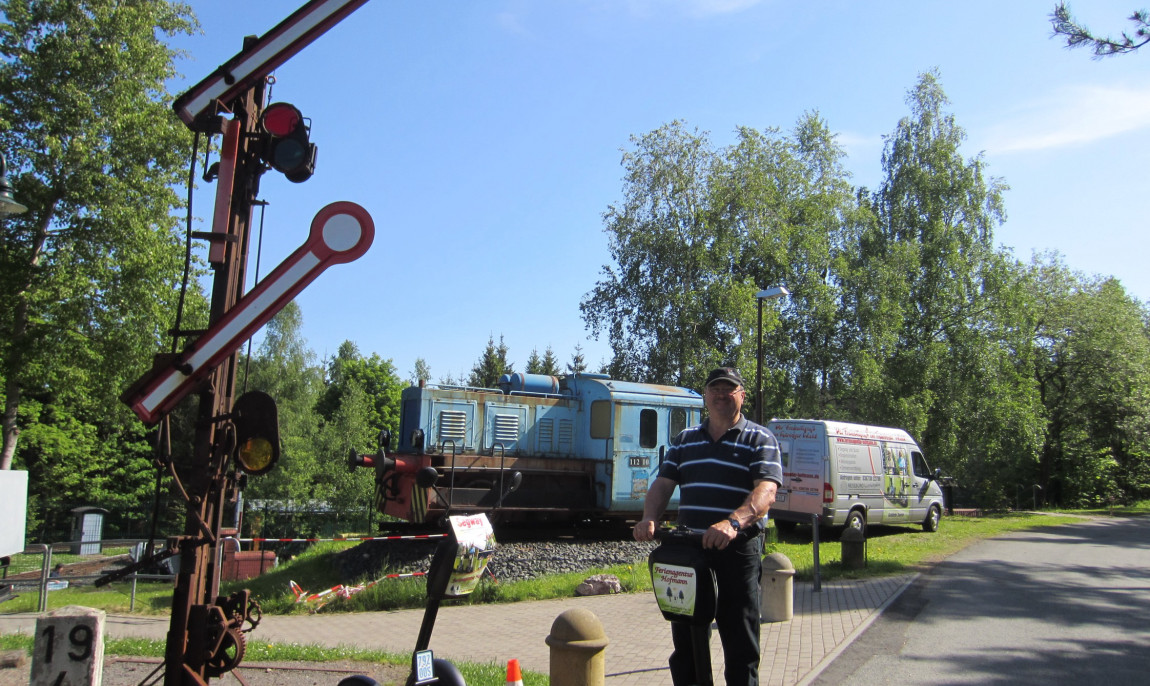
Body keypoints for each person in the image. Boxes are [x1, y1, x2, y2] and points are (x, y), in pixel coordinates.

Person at [634, 366, 783, 686]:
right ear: (705, 397)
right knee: (686, 643)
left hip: (737, 551)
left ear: (742, 396)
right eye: (714, 389)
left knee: (740, 642)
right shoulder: (686, 440)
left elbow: (767, 491)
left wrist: (733, 523)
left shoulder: (760, 438)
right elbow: (662, 484)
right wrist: (649, 517)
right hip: (691, 554)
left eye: (729, 389)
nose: (721, 395)